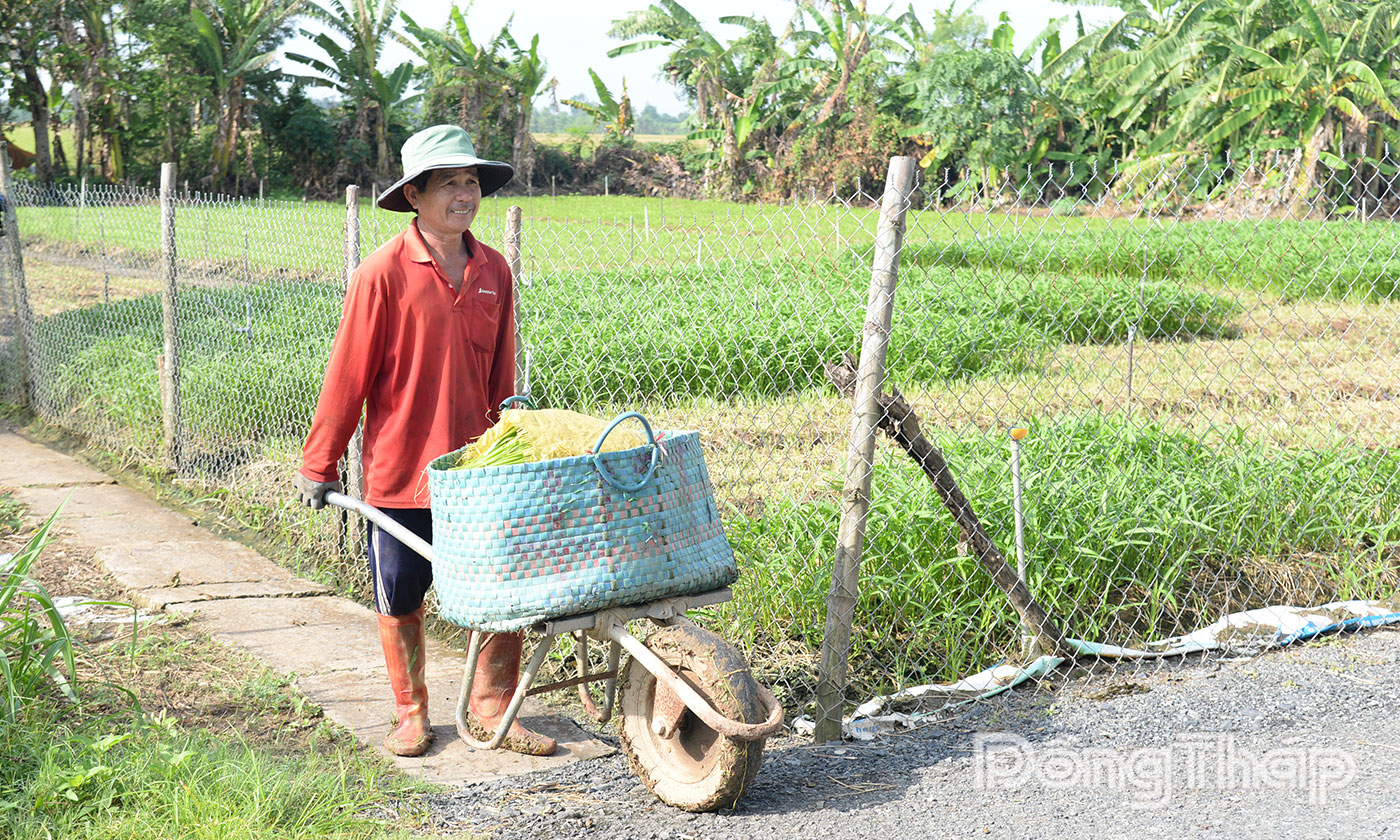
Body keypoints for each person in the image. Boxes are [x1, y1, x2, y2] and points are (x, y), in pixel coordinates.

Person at [294, 125, 557, 758]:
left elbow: (502, 373)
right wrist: (319, 461)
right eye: (449, 184)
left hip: (479, 470)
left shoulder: (493, 268)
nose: (464, 194)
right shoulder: (381, 274)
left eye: (471, 182)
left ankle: (493, 706)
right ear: (414, 195)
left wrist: (509, 448)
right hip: (402, 469)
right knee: (401, 590)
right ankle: (411, 712)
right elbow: (347, 375)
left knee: (501, 590)